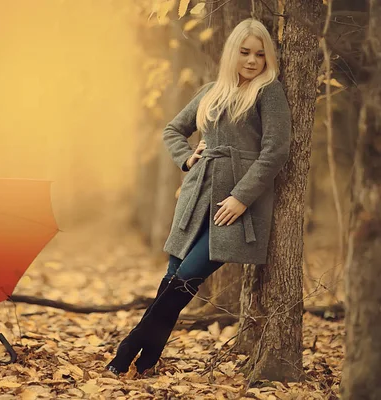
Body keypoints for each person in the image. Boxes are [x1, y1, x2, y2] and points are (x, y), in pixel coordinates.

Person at [106, 18, 292, 376]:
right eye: (244, 52)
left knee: (186, 278)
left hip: (236, 206)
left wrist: (241, 198)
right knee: (173, 277)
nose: (252, 61)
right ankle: (146, 360)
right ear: (231, 54)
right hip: (197, 196)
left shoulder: (269, 93)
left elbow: (275, 152)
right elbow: (173, 129)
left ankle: (128, 346)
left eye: (259, 54)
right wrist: (188, 158)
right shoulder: (211, 91)